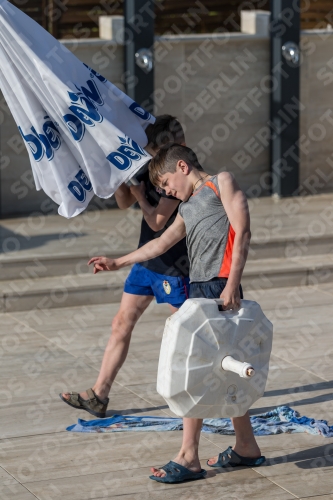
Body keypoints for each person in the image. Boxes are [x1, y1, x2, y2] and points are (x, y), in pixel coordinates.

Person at [88, 144, 266, 483]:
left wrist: (232, 285)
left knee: (194, 370)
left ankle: (188, 456)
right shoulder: (186, 207)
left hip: (220, 288)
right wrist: (118, 261)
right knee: (222, 368)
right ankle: (246, 446)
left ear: (182, 166)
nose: (166, 192)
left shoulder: (221, 182)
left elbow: (242, 231)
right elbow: (160, 243)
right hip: (199, 289)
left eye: (167, 183)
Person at [60, 116, 190, 418]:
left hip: (175, 268)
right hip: (145, 262)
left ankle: (203, 392)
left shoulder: (182, 175)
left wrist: (139, 197)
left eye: (158, 150)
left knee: (186, 334)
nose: (153, 157)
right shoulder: (151, 167)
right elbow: (122, 202)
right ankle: (99, 395)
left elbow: (157, 220)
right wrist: (122, 178)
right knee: (121, 323)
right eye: (151, 151)